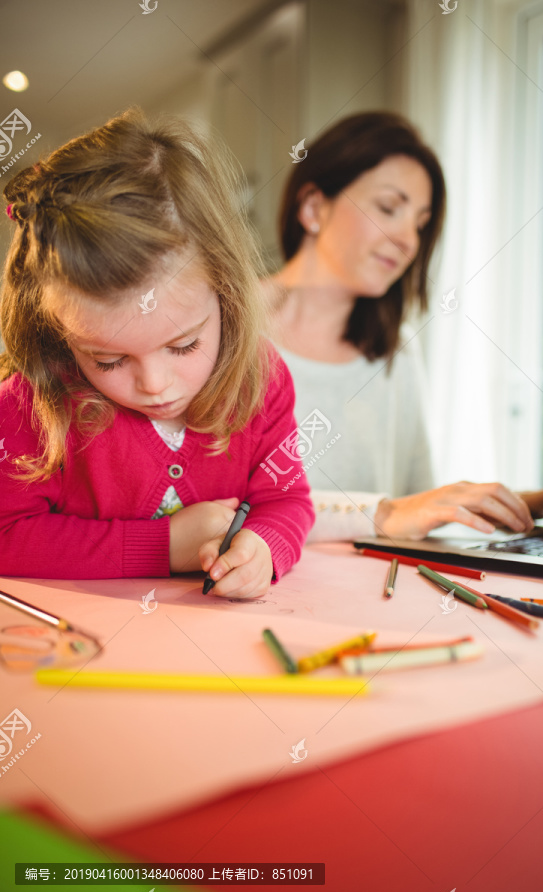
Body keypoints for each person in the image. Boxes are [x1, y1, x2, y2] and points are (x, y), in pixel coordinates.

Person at [0, 108, 314, 597]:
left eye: (184, 344)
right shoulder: (31, 404)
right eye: (108, 360)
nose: (155, 384)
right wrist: (162, 546)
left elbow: (287, 500)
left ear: (226, 291)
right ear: (57, 333)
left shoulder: (263, 380)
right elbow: (7, 535)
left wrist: (264, 547)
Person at [263, 111, 543, 541]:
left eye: (420, 225)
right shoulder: (221, 328)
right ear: (313, 208)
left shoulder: (394, 353)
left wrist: (520, 506)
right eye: (388, 208)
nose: (408, 240)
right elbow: (209, 511)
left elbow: (412, 507)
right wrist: (387, 512)